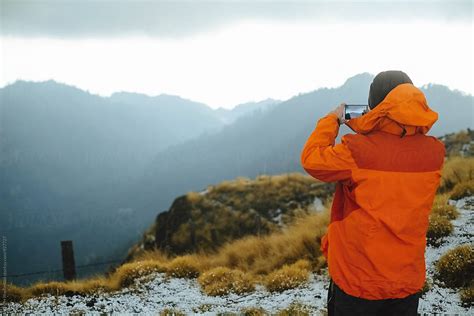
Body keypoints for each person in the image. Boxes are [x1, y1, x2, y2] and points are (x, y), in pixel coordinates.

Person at [300, 70, 446, 316]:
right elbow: (394, 149)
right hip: (406, 279)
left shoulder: (357, 151)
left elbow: (312, 160)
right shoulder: (434, 152)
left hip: (359, 282)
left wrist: (333, 119)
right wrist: (369, 124)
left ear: (374, 107)